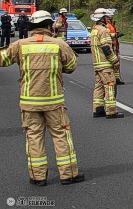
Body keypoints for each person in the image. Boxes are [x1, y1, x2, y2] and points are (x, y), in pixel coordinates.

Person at [0, 10, 84, 186]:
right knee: (61, 135)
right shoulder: (59, 44)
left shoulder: (20, 45)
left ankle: (38, 177)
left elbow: (3, 60)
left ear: (31, 27)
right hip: (54, 102)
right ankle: (67, 174)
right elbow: (71, 66)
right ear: (48, 26)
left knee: (34, 137)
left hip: (29, 103)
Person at [90, 8, 124, 119]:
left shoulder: (94, 30)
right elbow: (106, 48)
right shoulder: (103, 30)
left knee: (99, 87)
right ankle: (111, 111)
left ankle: (98, 109)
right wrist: (115, 61)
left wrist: (115, 35)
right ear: (103, 18)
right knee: (110, 85)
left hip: (97, 64)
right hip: (105, 64)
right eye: (106, 17)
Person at [105, 11, 125, 85]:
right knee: (113, 63)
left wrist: (116, 34)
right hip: (111, 47)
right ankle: (111, 79)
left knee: (116, 62)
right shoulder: (107, 25)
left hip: (115, 46)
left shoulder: (111, 24)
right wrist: (116, 34)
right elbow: (107, 35)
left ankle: (117, 78)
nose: (112, 17)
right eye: (111, 16)